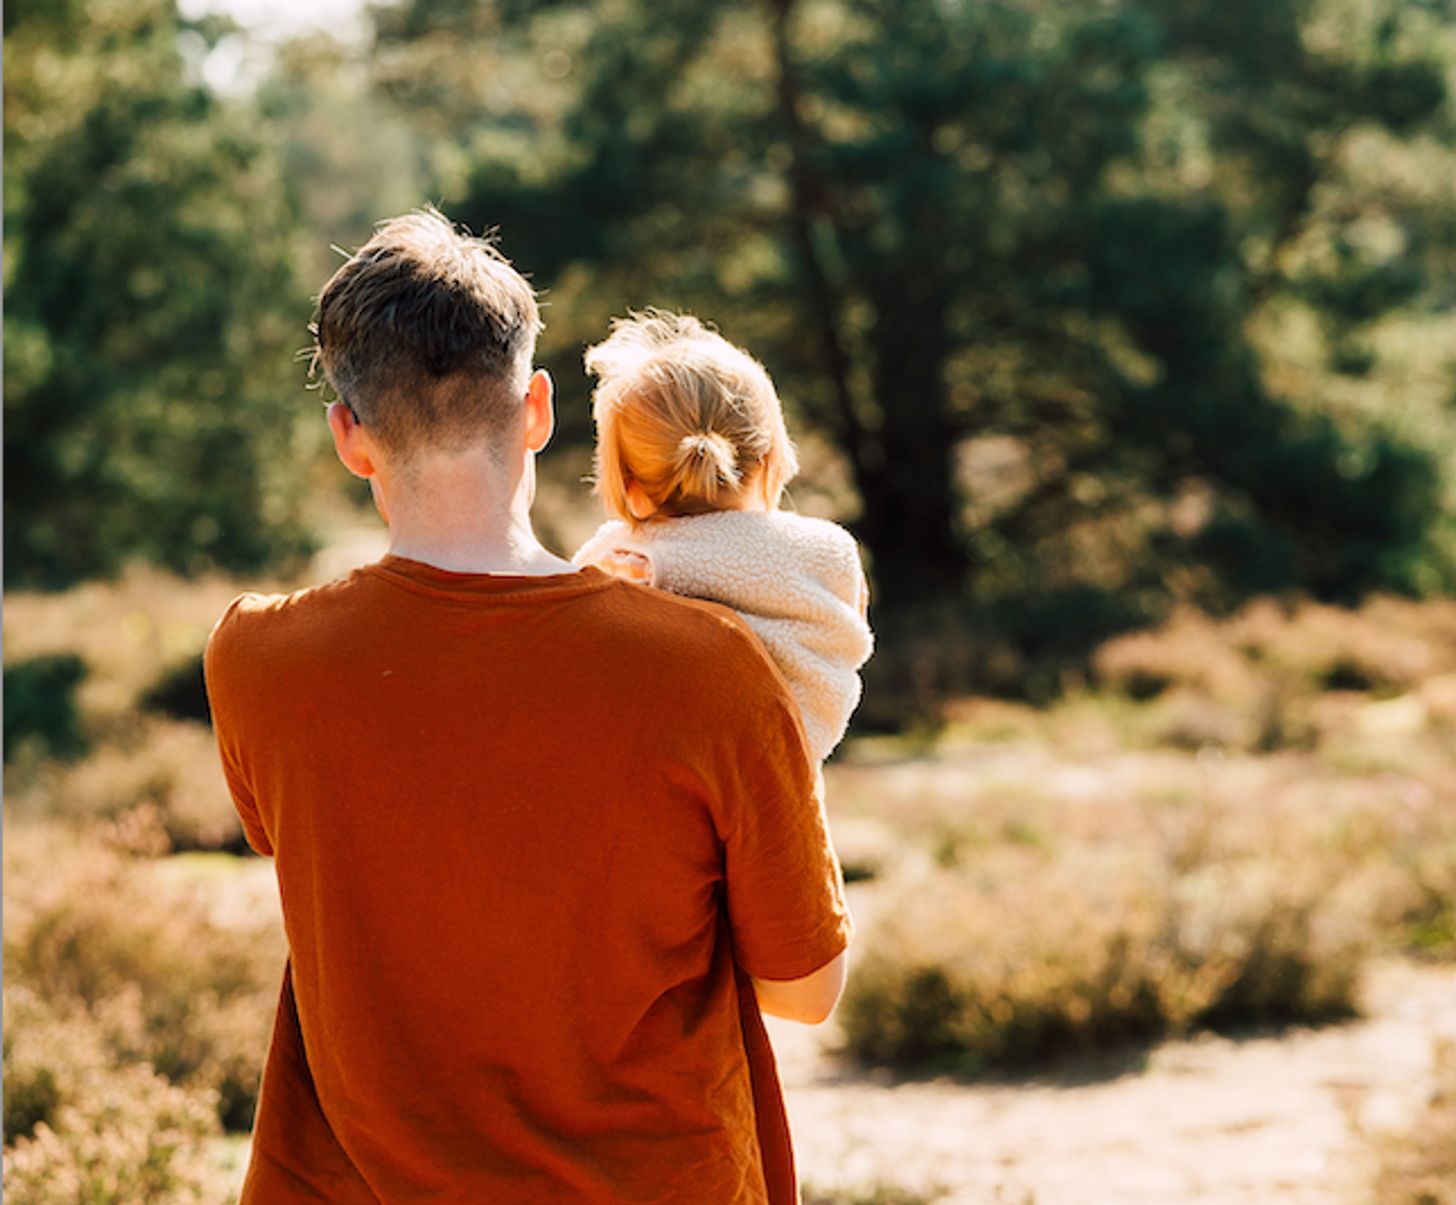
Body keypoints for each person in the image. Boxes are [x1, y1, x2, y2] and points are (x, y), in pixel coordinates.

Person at [204, 208, 853, 1204]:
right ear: (540, 408)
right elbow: (803, 992)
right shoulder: (713, 671)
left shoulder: (256, 659)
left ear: (350, 435)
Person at [573, 310, 872, 767]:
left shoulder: (618, 561)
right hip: (782, 775)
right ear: (771, 456)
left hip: (662, 786)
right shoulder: (826, 554)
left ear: (627, 481)